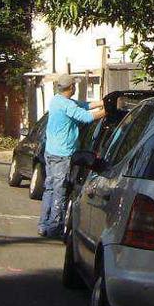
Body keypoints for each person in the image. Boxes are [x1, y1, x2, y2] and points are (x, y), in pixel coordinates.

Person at [37, 74, 105, 238]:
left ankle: (43, 225)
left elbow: (84, 106)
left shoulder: (57, 100)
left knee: (50, 189)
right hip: (62, 154)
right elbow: (86, 116)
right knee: (59, 192)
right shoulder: (66, 105)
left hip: (51, 151)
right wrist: (107, 111)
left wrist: (103, 102)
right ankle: (54, 229)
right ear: (71, 88)